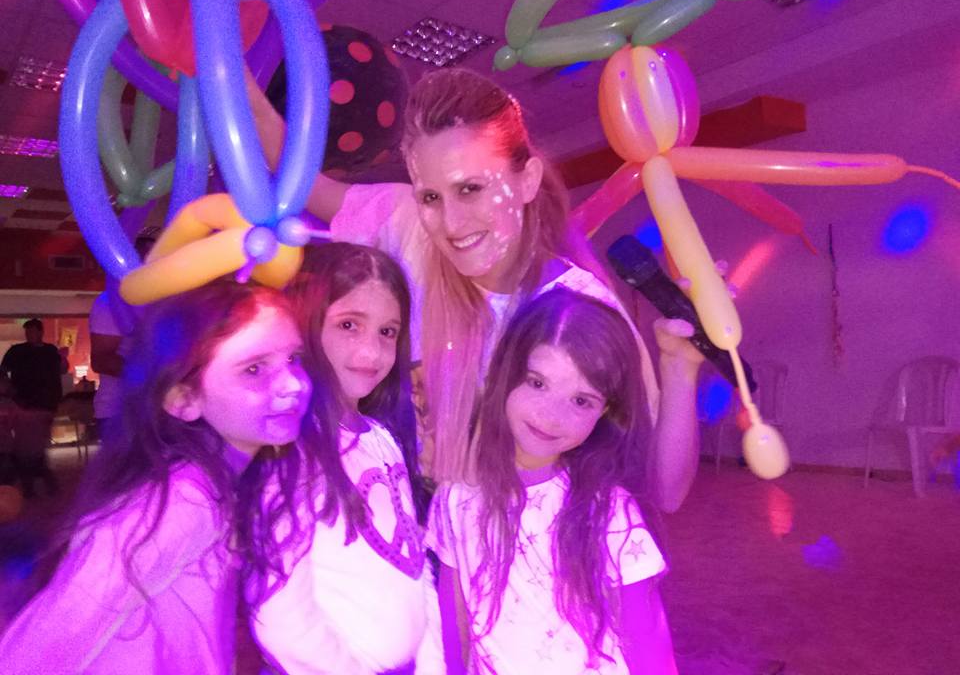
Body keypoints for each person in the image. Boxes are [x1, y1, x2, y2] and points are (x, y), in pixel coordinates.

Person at [250, 67, 703, 510]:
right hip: (407, 521)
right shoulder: (408, 224)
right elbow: (301, 177)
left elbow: (666, 489)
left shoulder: (580, 310)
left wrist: (680, 370)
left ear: (527, 181)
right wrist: (232, 76)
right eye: (431, 197)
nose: (451, 223)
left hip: (508, 544)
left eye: (471, 189)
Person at [0, 282, 313, 674]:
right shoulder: (179, 502)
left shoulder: (218, 481)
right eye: (254, 369)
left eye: (294, 358)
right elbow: (50, 635)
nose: (293, 383)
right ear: (183, 399)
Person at [428, 289, 677, 674]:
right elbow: (454, 625)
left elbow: (649, 647)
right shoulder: (455, 498)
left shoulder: (609, 510)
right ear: (507, 372)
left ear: (604, 411)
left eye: (581, 401)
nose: (551, 415)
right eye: (537, 383)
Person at [248, 243, 440, 674]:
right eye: (349, 325)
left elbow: (414, 564)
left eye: (387, 332)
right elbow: (280, 614)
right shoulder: (289, 451)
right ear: (304, 322)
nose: (371, 351)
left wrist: (433, 663)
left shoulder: (383, 440)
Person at [89, 232, 157, 438]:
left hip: (160, 410)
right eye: (148, 259)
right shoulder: (109, 303)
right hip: (119, 412)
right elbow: (101, 360)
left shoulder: (164, 301)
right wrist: (157, 376)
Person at [1, 318, 62, 497]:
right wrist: (9, 390)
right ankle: (37, 482)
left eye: (32, 331)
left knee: (32, 445)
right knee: (29, 446)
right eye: (27, 332)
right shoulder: (17, 351)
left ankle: (34, 482)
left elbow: (57, 373)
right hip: (24, 403)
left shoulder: (50, 351)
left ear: (40, 332)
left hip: (43, 404)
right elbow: (2, 371)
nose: (29, 335)